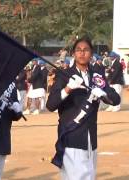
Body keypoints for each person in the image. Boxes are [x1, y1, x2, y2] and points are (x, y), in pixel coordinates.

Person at [46, 37, 120, 180]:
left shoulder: (97, 74)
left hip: (90, 138)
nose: (82, 53)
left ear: (91, 53)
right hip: (71, 137)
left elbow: (115, 99)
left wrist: (104, 94)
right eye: (78, 50)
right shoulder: (64, 74)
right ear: (73, 53)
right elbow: (50, 105)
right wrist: (67, 89)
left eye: (86, 50)